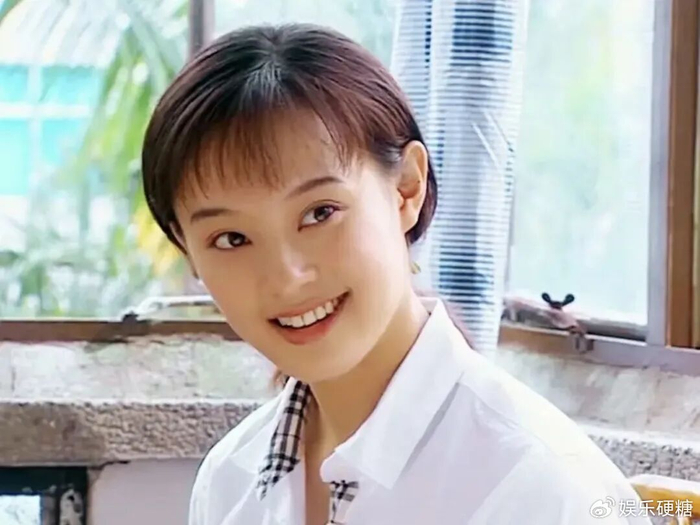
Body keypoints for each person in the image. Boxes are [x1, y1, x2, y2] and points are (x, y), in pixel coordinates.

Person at [141, 23, 651, 525]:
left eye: (320, 213)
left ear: (407, 188)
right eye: (231, 239)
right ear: (187, 251)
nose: (287, 277)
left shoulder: (545, 490)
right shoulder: (228, 482)